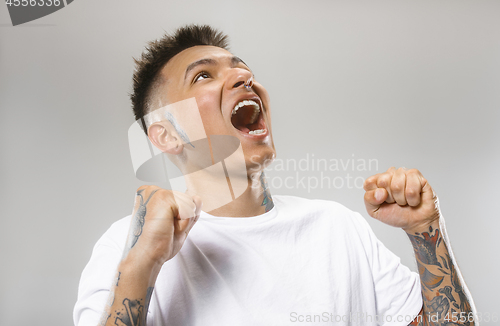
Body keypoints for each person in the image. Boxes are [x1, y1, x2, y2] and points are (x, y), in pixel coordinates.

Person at [74, 25, 476, 326]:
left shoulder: (338, 229)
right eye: (203, 76)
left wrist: (427, 232)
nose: (243, 77)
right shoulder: (126, 248)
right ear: (166, 135)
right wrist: (143, 261)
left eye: (242, 69)